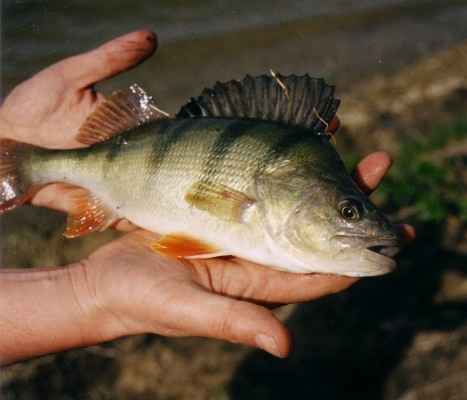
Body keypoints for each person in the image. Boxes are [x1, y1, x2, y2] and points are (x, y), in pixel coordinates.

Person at [0, 30, 415, 366]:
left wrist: (85, 292)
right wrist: (83, 294)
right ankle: (31, 165)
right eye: (348, 210)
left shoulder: (305, 162)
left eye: (350, 211)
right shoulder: (293, 164)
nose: (357, 223)